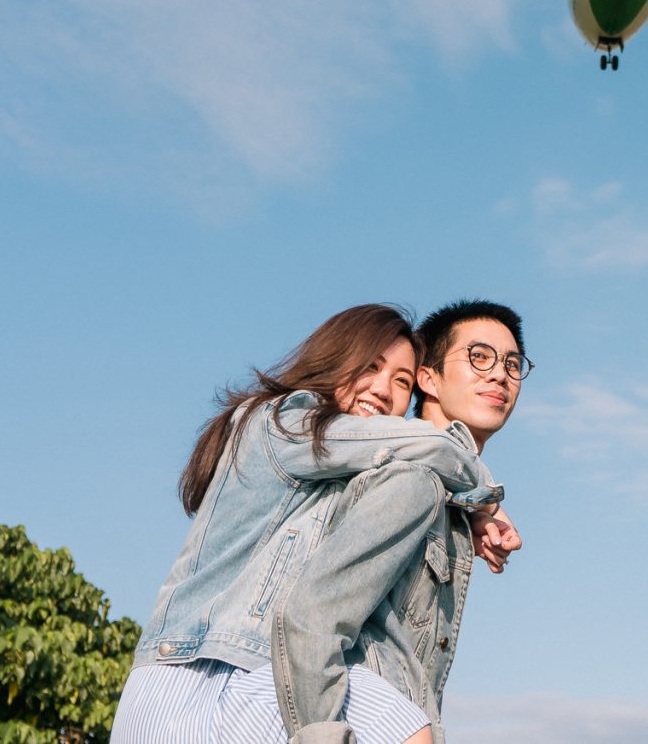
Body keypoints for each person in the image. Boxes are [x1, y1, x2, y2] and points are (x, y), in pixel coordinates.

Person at [110, 304, 509, 744]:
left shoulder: (358, 472)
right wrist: (481, 494)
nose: (382, 389)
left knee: (408, 721)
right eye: (370, 367)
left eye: (399, 380)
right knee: (405, 725)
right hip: (197, 677)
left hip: (257, 679)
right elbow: (420, 445)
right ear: (334, 360)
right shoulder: (280, 422)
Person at [268, 301, 530, 744]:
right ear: (428, 378)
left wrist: (474, 505)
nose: (499, 374)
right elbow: (316, 619)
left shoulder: (450, 498)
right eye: (479, 357)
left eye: (512, 363)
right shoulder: (409, 476)